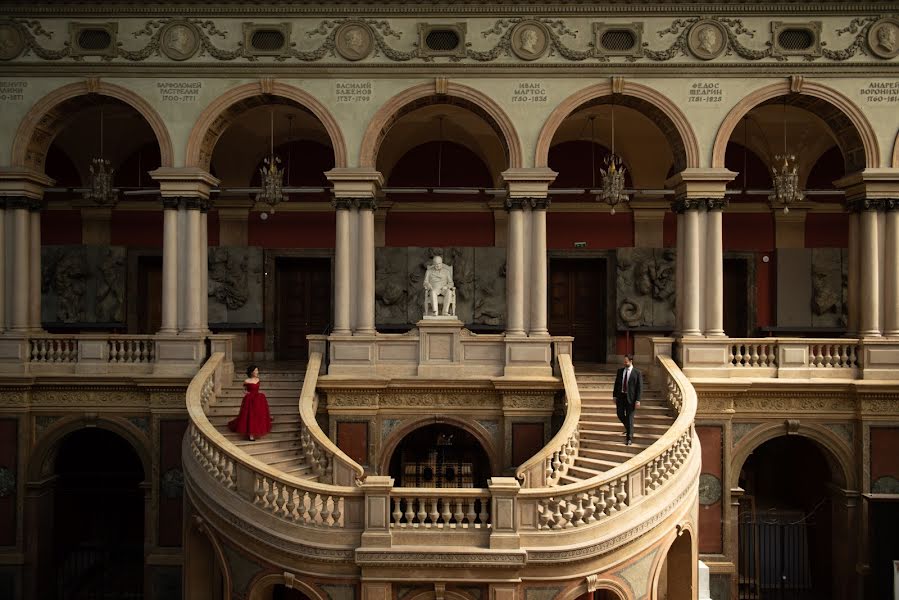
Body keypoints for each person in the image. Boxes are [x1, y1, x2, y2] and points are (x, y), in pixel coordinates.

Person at [228, 365, 272, 441]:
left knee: (257, 415)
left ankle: (256, 430)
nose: (257, 372)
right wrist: (247, 393)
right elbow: (244, 390)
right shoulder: (246, 381)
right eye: (255, 371)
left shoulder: (258, 379)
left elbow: (257, 389)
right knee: (250, 416)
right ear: (251, 372)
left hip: (258, 399)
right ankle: (251, 434)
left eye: (257, 370)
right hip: (249, 399)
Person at [613, 354, 642, 446]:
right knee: (619, 414)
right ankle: (629, 428)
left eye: (626, 361)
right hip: (621, 397)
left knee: (630, 417)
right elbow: (616, 384)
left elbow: (639, 388)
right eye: (624, 361)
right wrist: (614, 396)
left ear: (631, 361)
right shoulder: (620, 371)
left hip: (631, 399)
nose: (624, 363)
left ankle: (629, 438)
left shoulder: (637, 373)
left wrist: (638, 400)